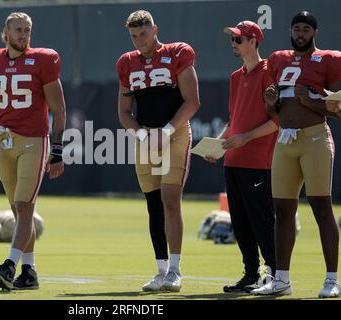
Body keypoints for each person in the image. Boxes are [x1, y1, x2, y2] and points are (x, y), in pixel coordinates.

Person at [0, 12, 66, 291]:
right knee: (19, 212)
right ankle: (29, 272)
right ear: (5, 33)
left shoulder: (44, 59)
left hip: (33, 140)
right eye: (18, 30)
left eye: (27, 30)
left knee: (24, 206)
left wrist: (57, 150)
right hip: (4, 142)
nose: (23, 35)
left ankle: (10, 266)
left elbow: (58, 108)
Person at [252, 11, 341, 298]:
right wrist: (270, 104)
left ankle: (331, 279)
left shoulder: (330, 59)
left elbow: (338, 109)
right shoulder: (278, 59)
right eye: (296, 29)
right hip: (285, 139)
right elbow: (276, 112)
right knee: (283, 211)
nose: (300, 33)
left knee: (321, 207)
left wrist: (312, 100)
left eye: (305, 29)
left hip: (315, 137)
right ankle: (282, 280)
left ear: (314, 32)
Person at [116, 10, 200, 292]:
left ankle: (175, 270)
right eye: (133, 35)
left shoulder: (178, 53)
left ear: (155, 30)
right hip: (145, 138)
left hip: (174, 134)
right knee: (153, 204)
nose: (139, 40)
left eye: (143, 33)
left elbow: (192, 102)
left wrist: (165, 133)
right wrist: (141, 135)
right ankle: (161, 269)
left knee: (170, 199)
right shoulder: (127, 63)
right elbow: (124, 113)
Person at [205, 21, 278, 293]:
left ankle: (273, 275)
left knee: (261, 219)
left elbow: (276, 121)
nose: (233, 44)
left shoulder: (270, 71)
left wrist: (245, 138)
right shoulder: (236, 76)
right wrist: (219, 143)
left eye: (238, 39)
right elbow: (234, 118)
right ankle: (250, 274)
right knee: (240, 221)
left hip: (258, 160)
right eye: (232, 39)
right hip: (233, 160)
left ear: (253, 41)